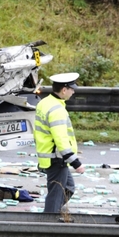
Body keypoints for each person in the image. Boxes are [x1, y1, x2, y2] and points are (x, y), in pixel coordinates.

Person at [34, 72, 86, 213]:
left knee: (68, 187)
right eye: (72, 88)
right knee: (56, 195)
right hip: (57, 158)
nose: (73, 91)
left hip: (49, 155)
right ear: (64, 90)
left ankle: (53, 213)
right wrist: (76, 163)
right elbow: (61, 139)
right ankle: (48, 225)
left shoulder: (45, 102)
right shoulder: (57, 110)